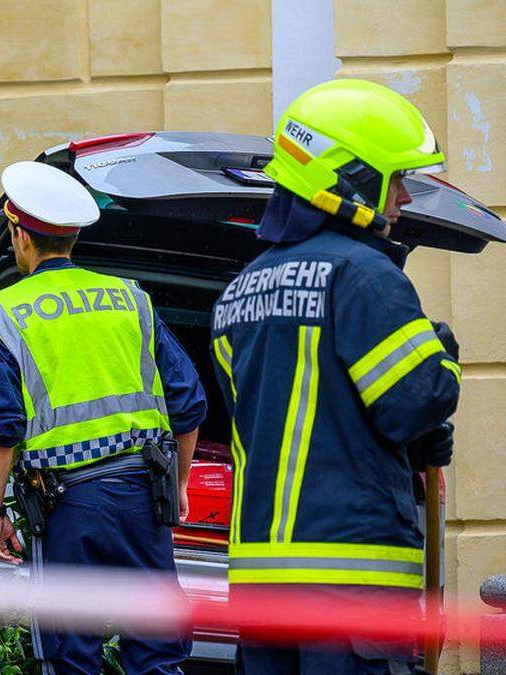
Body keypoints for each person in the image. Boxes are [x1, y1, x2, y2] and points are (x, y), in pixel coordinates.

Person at [210, 78, 461, 674]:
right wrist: (441, 355)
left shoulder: (235, 294)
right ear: (348, 176)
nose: (402, 198)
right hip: (352, 581)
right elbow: (413, 401)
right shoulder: (364, 276)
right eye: (394, 178)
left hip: (260, 587)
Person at [0, 160, 207, 674]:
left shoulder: (4, 312)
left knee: (72, 656)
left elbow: (0, 423)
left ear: (19, 235)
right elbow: (189, 403)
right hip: (145, 498)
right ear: (72, 239)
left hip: (69, 509)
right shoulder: (130, 299)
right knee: (158, 652)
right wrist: (180, 484)